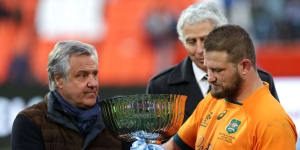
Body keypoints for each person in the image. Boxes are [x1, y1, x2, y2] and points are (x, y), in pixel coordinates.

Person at [162, 24, 297, 150]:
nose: (210, 78)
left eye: (218, 70)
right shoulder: (213, 99)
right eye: (207, 69)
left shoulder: (273, 123)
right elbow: (174, 145)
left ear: (245, 66)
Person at [146, 1, 279, 122]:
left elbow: (274, 133)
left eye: (205, 40)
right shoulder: (159, 87)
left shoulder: (261, 81)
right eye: (191, 42)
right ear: (182, 41)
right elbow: (154, 145)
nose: (199, 50)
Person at [11, 41, 122, 150]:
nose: (93, 83)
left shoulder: (117, 122)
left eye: (94, 74)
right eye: (82, 75)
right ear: (59, 80)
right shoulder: (30, 122)